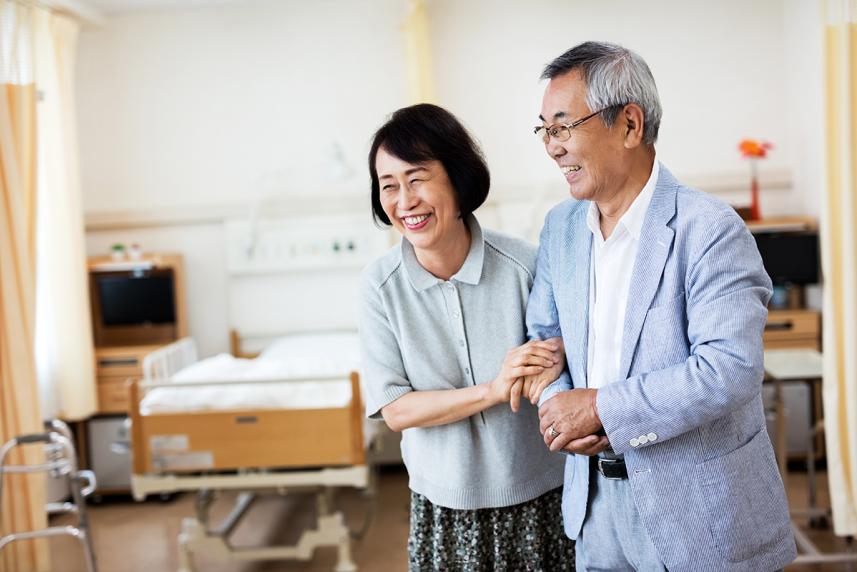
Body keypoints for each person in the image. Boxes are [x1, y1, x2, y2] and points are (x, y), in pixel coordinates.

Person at [526, 42, 797, 571]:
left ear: (630, 125)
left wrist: (600, 408)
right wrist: (562, 410)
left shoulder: (710, 229)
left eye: (564, 126)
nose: (552, 147)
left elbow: (728, 369)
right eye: (544, 130)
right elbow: (544, 337)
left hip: (701, 516)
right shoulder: (561, 228)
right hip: (595, 510)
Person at [359, 103, 575, 571]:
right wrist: (494, 390)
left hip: (540, 495)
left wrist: (558, 359)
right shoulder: (380, 287)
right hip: (442, 507)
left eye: (417, 179)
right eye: (389, 185)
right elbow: (396, 410)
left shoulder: (526, 266)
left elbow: (568, 361)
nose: (404, 201)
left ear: (457, 178)